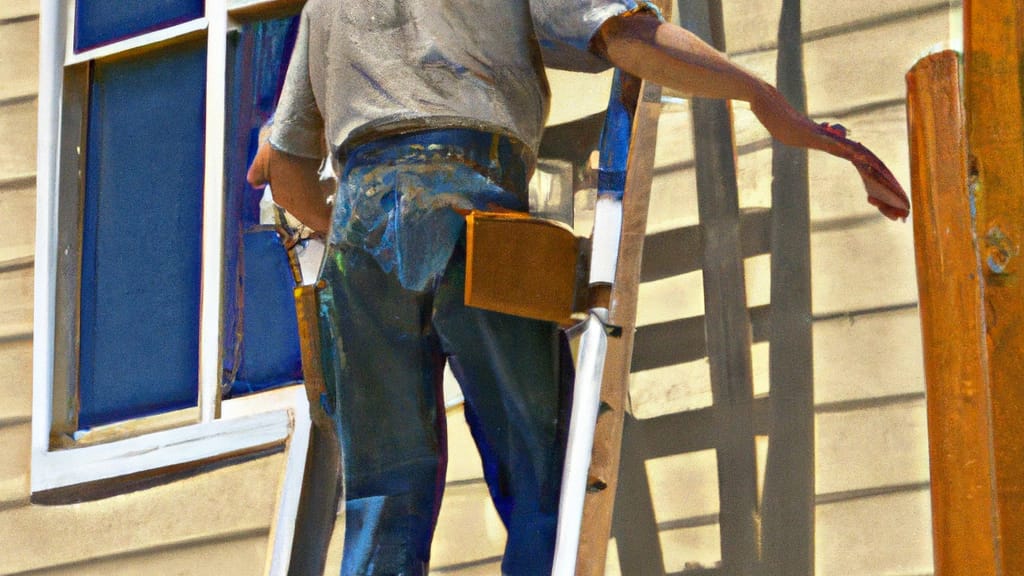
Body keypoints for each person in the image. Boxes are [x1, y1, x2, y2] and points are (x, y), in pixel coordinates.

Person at [247, 1, 910, 574]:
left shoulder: (323, 10)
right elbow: (628, 37)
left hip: (360, 233)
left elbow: (284, 172)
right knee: (540, 472)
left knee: (382, 491)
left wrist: (373, 229)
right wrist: (763, 96)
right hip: (476, 209)